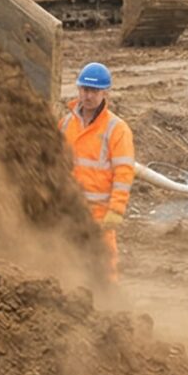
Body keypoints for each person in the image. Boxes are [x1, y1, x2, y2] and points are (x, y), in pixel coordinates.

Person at [61, 61, 135, 278]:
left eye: (94, 91)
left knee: (104, 265)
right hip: (70, 209)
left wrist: (116, 209)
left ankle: (109, 305)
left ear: (105, 93)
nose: (88, 95)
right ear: (78, 89)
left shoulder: (117, 129)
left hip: (100, 213)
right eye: (85, 89)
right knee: (68, 259)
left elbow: (124, 173)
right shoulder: (66, 124)